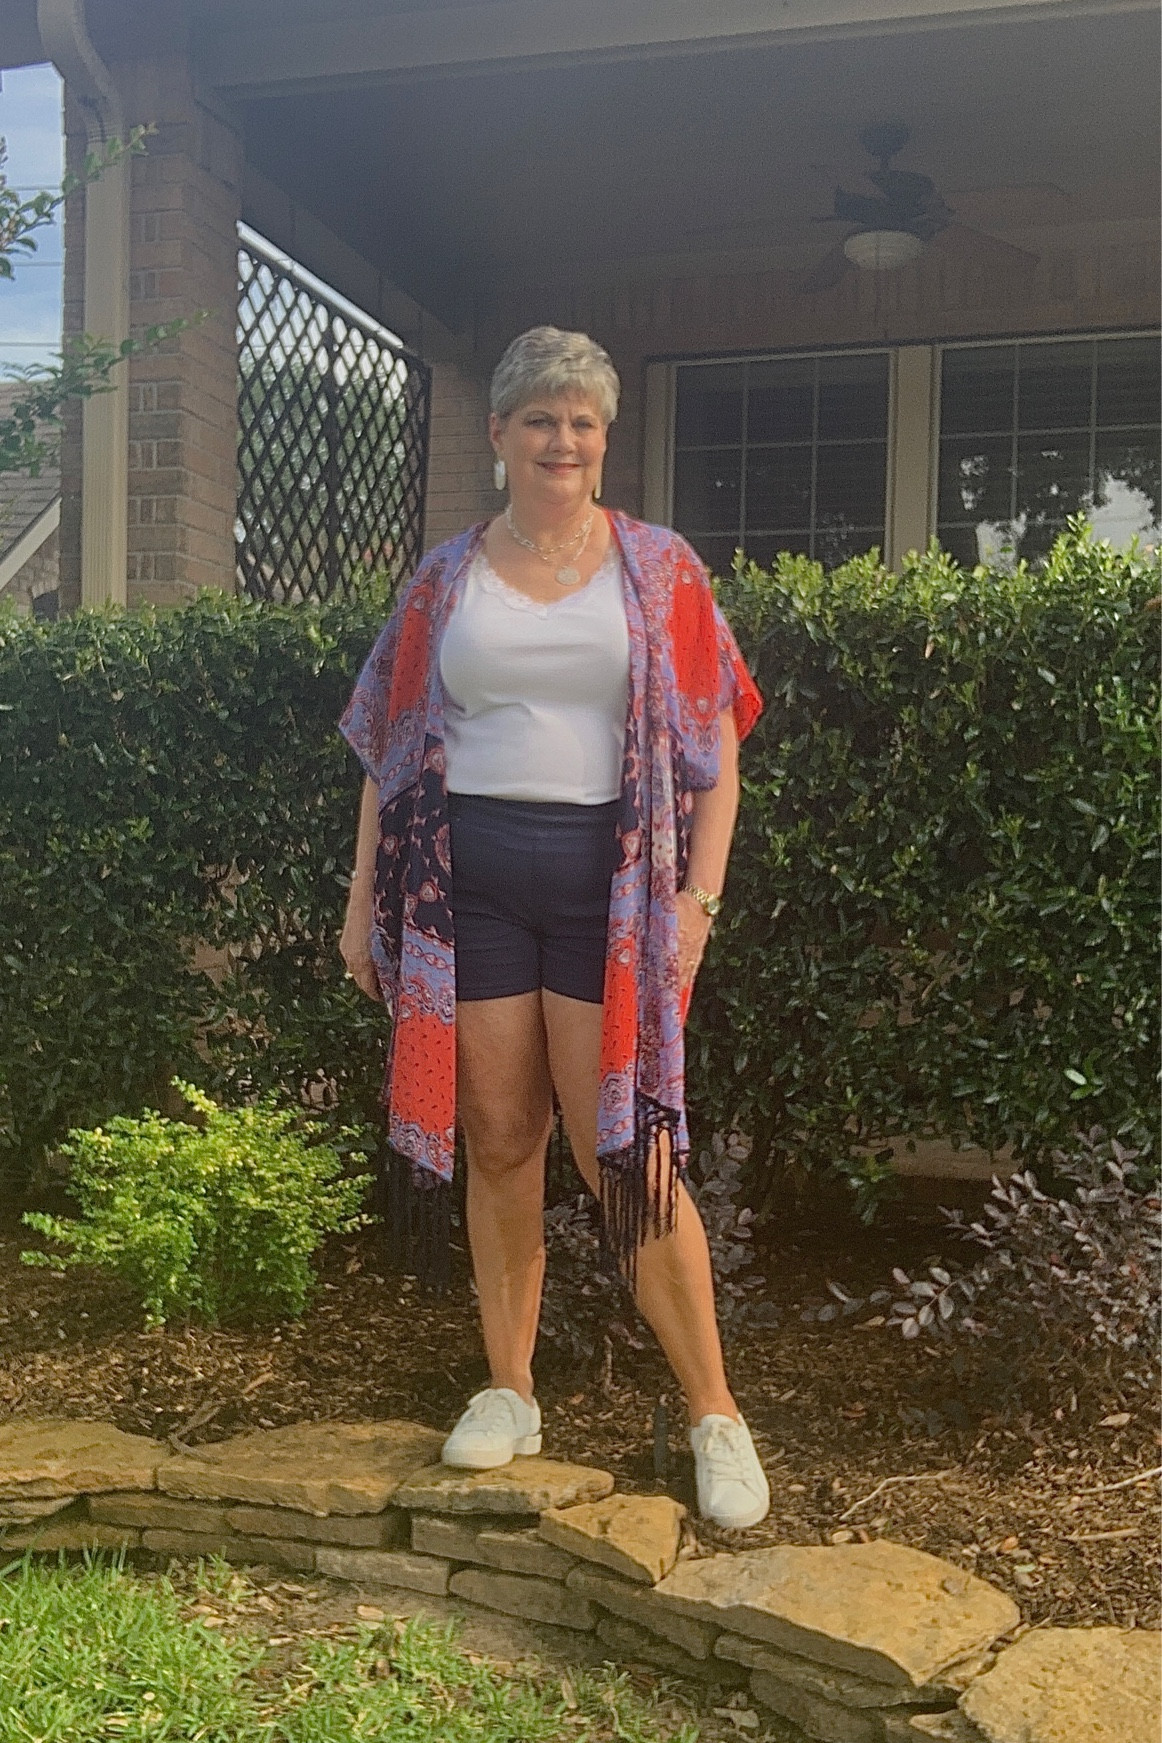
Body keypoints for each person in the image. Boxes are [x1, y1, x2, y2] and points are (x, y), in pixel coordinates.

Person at [339, 326, 769, 1529]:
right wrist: (361, 900)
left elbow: (716, 754)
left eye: (582, 422)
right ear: (499, 436)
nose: (562, 440)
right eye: (540, 419)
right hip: (463, 885)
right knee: (500, 1136)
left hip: (609, 888)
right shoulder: (443, 579)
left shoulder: (661, 570)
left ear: (603, 437)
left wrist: (699, 903)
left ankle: (713, 1413)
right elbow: (390, 744)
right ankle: (509, 1388)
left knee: (623, 1154)